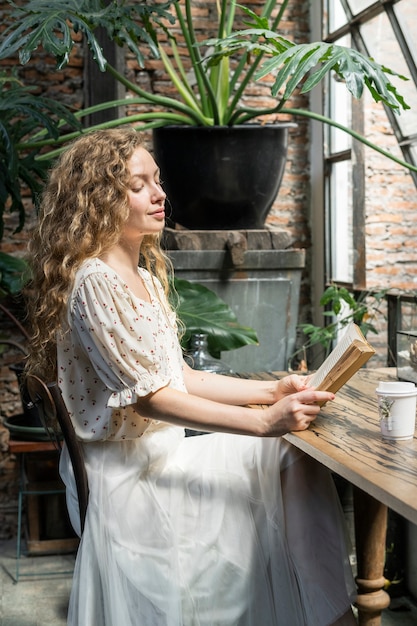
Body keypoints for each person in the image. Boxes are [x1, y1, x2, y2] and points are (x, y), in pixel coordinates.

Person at [26, 128, 356, 626]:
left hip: (162, 455)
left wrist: (274, 389)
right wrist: (266, 422)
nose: (160, 194)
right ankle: (329, 613)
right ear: (99, 198)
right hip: (129, 477)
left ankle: (324, 609)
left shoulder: (144, 277)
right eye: (139, 185)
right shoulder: (94, 282)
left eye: (157, 180)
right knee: (285, 447)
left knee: (294, 450)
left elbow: (179, 376)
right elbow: (152, 401)